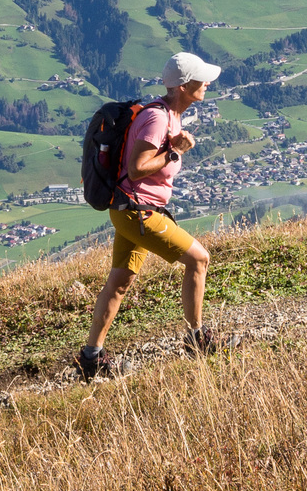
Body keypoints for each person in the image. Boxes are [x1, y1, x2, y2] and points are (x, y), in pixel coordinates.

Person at [78, 52, 220, 378]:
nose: (208, 83)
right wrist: (174, 152)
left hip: (131, 209)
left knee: (119, 282)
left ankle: (91, 359)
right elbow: (137, 168)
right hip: (136, 212)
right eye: (202, 78)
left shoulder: (169, 114)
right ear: (184, 86)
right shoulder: (158, 119)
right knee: (199, 260)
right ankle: (196, 340)